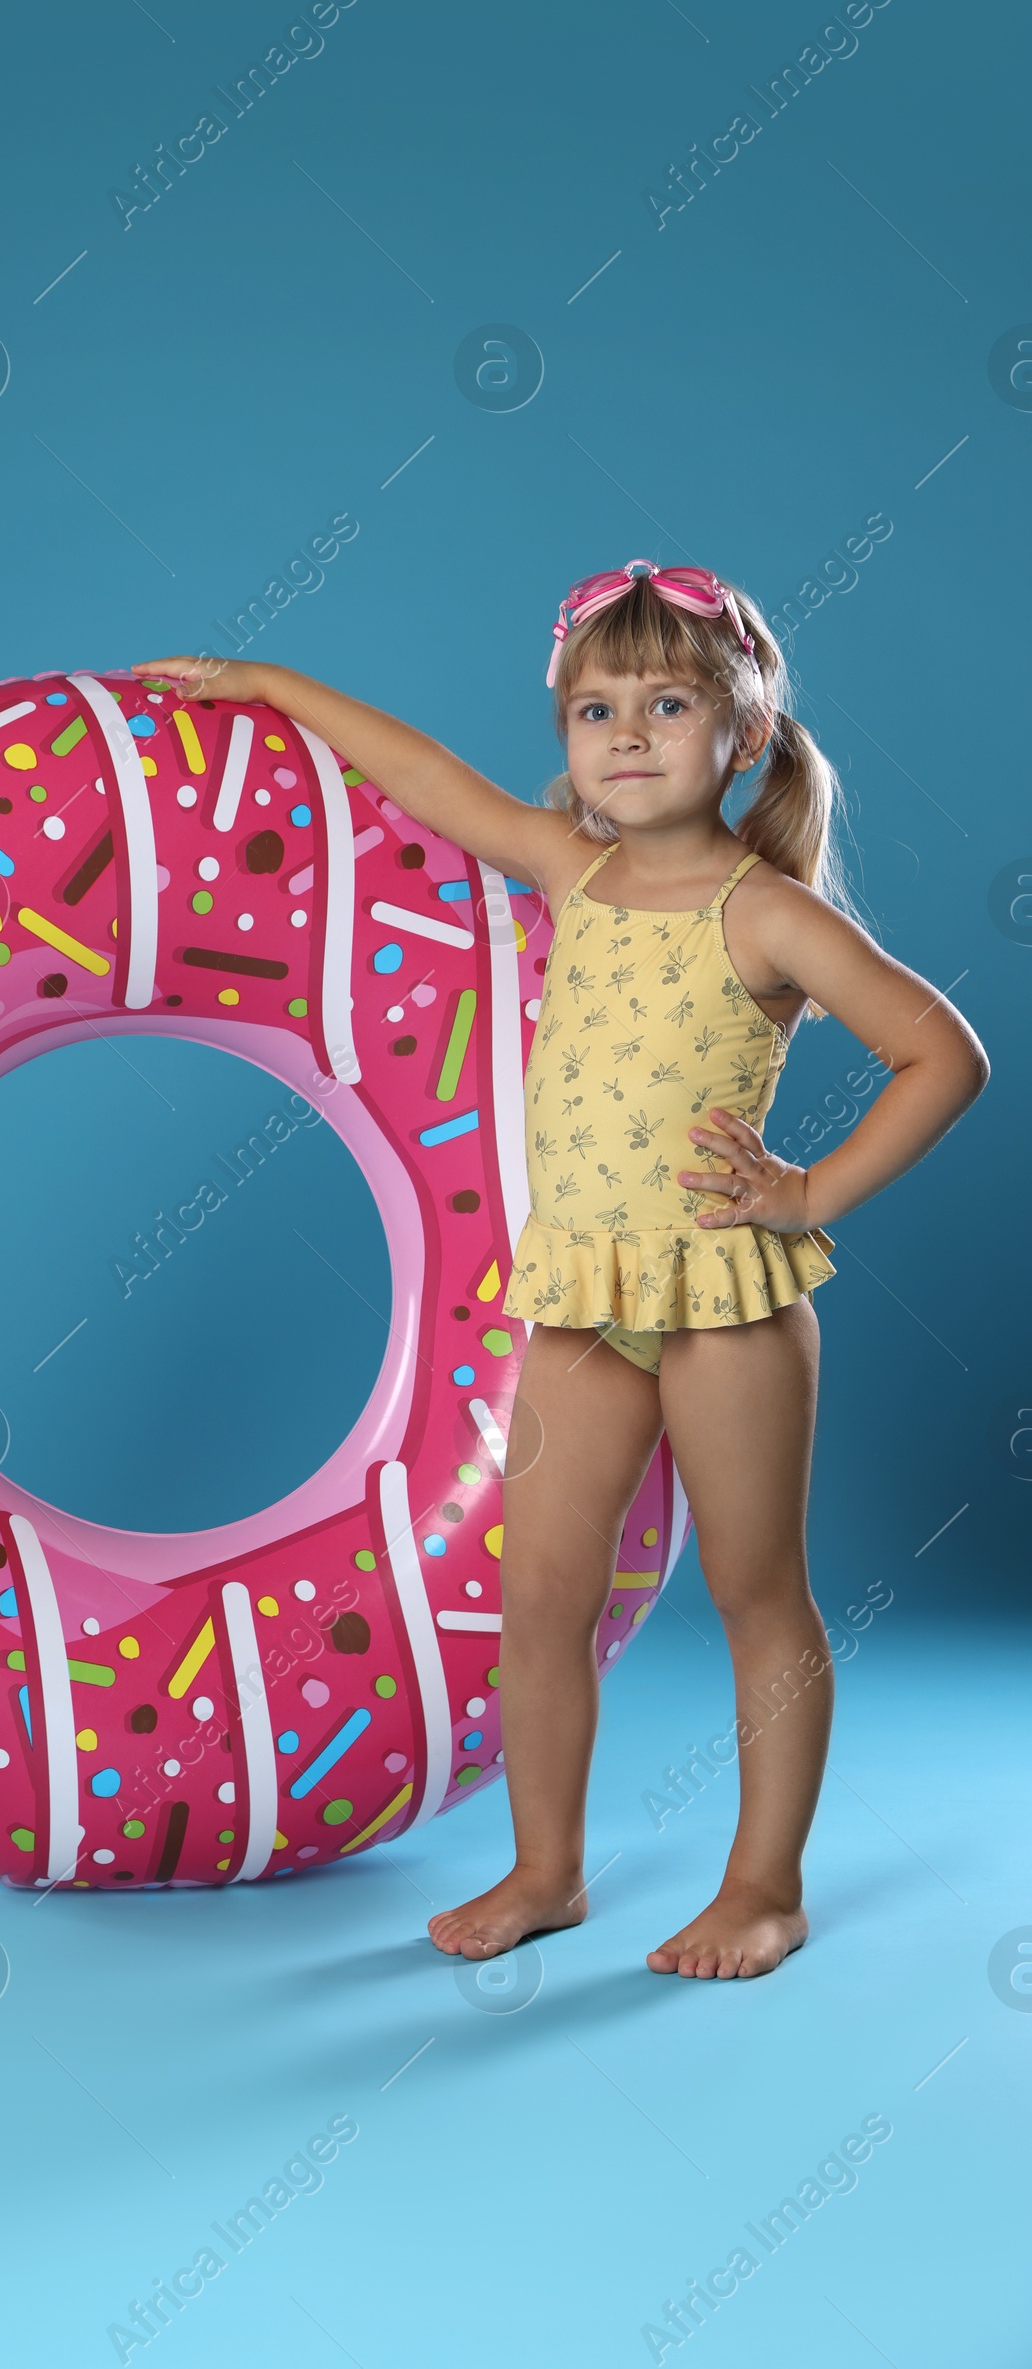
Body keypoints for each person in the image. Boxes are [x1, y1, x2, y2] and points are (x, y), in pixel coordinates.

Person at [134, 559, 988, 1979]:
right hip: (586, 1298)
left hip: (722, 1300)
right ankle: (547, 1872)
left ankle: (764, 1886)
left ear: (744, 735)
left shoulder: (766, 911)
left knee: (755, 1591)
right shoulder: (570, 867)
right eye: (599, 710)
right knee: (541, 1596)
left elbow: (941, 1054)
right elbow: (422, 774)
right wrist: (268, 685)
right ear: (568, 735)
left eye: (669, 703)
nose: (631, 735)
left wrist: (810, 1191)